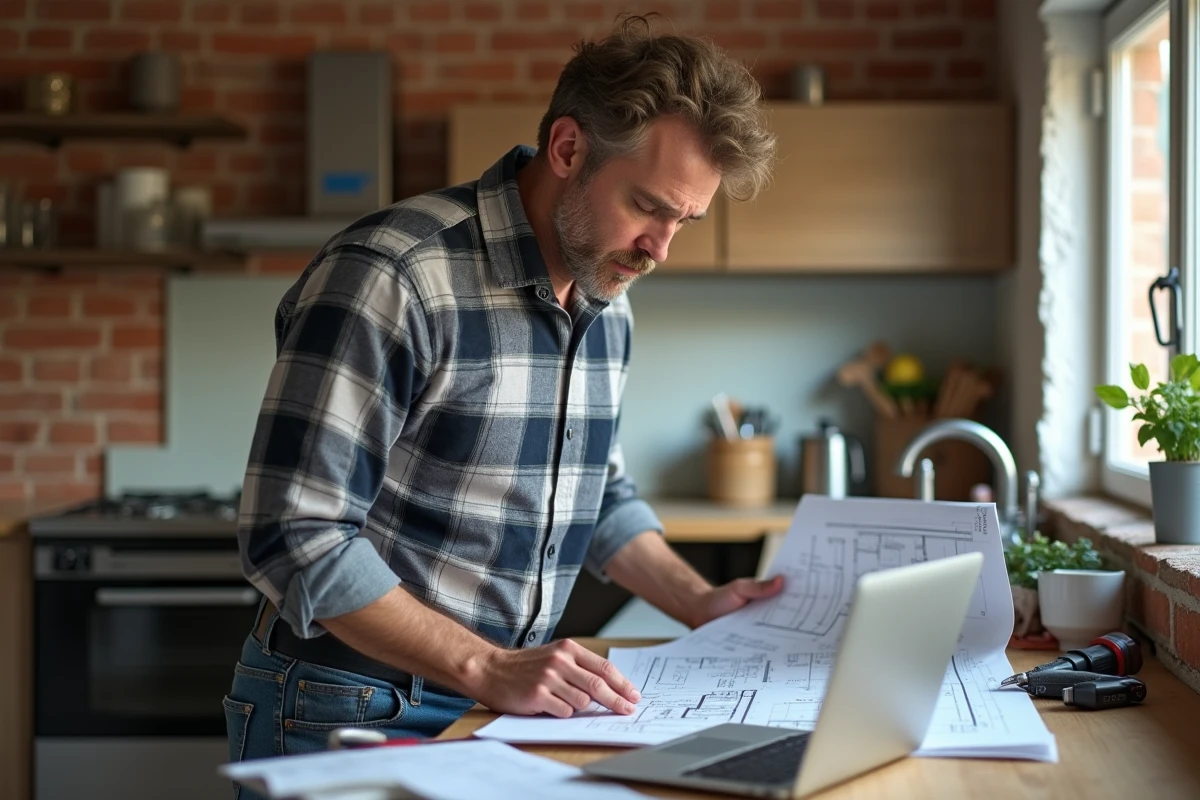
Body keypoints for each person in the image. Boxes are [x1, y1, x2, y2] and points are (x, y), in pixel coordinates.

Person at [225, 14, 779, 785]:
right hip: (346, 701)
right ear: (568, 148)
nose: (661, 250)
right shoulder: (395, 275)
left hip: (491, 706)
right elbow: (295, 535)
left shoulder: (605, 295)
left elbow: (596, 495)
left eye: (685, 220)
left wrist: (700, 600)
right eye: (649, 206)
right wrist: (487, 665)